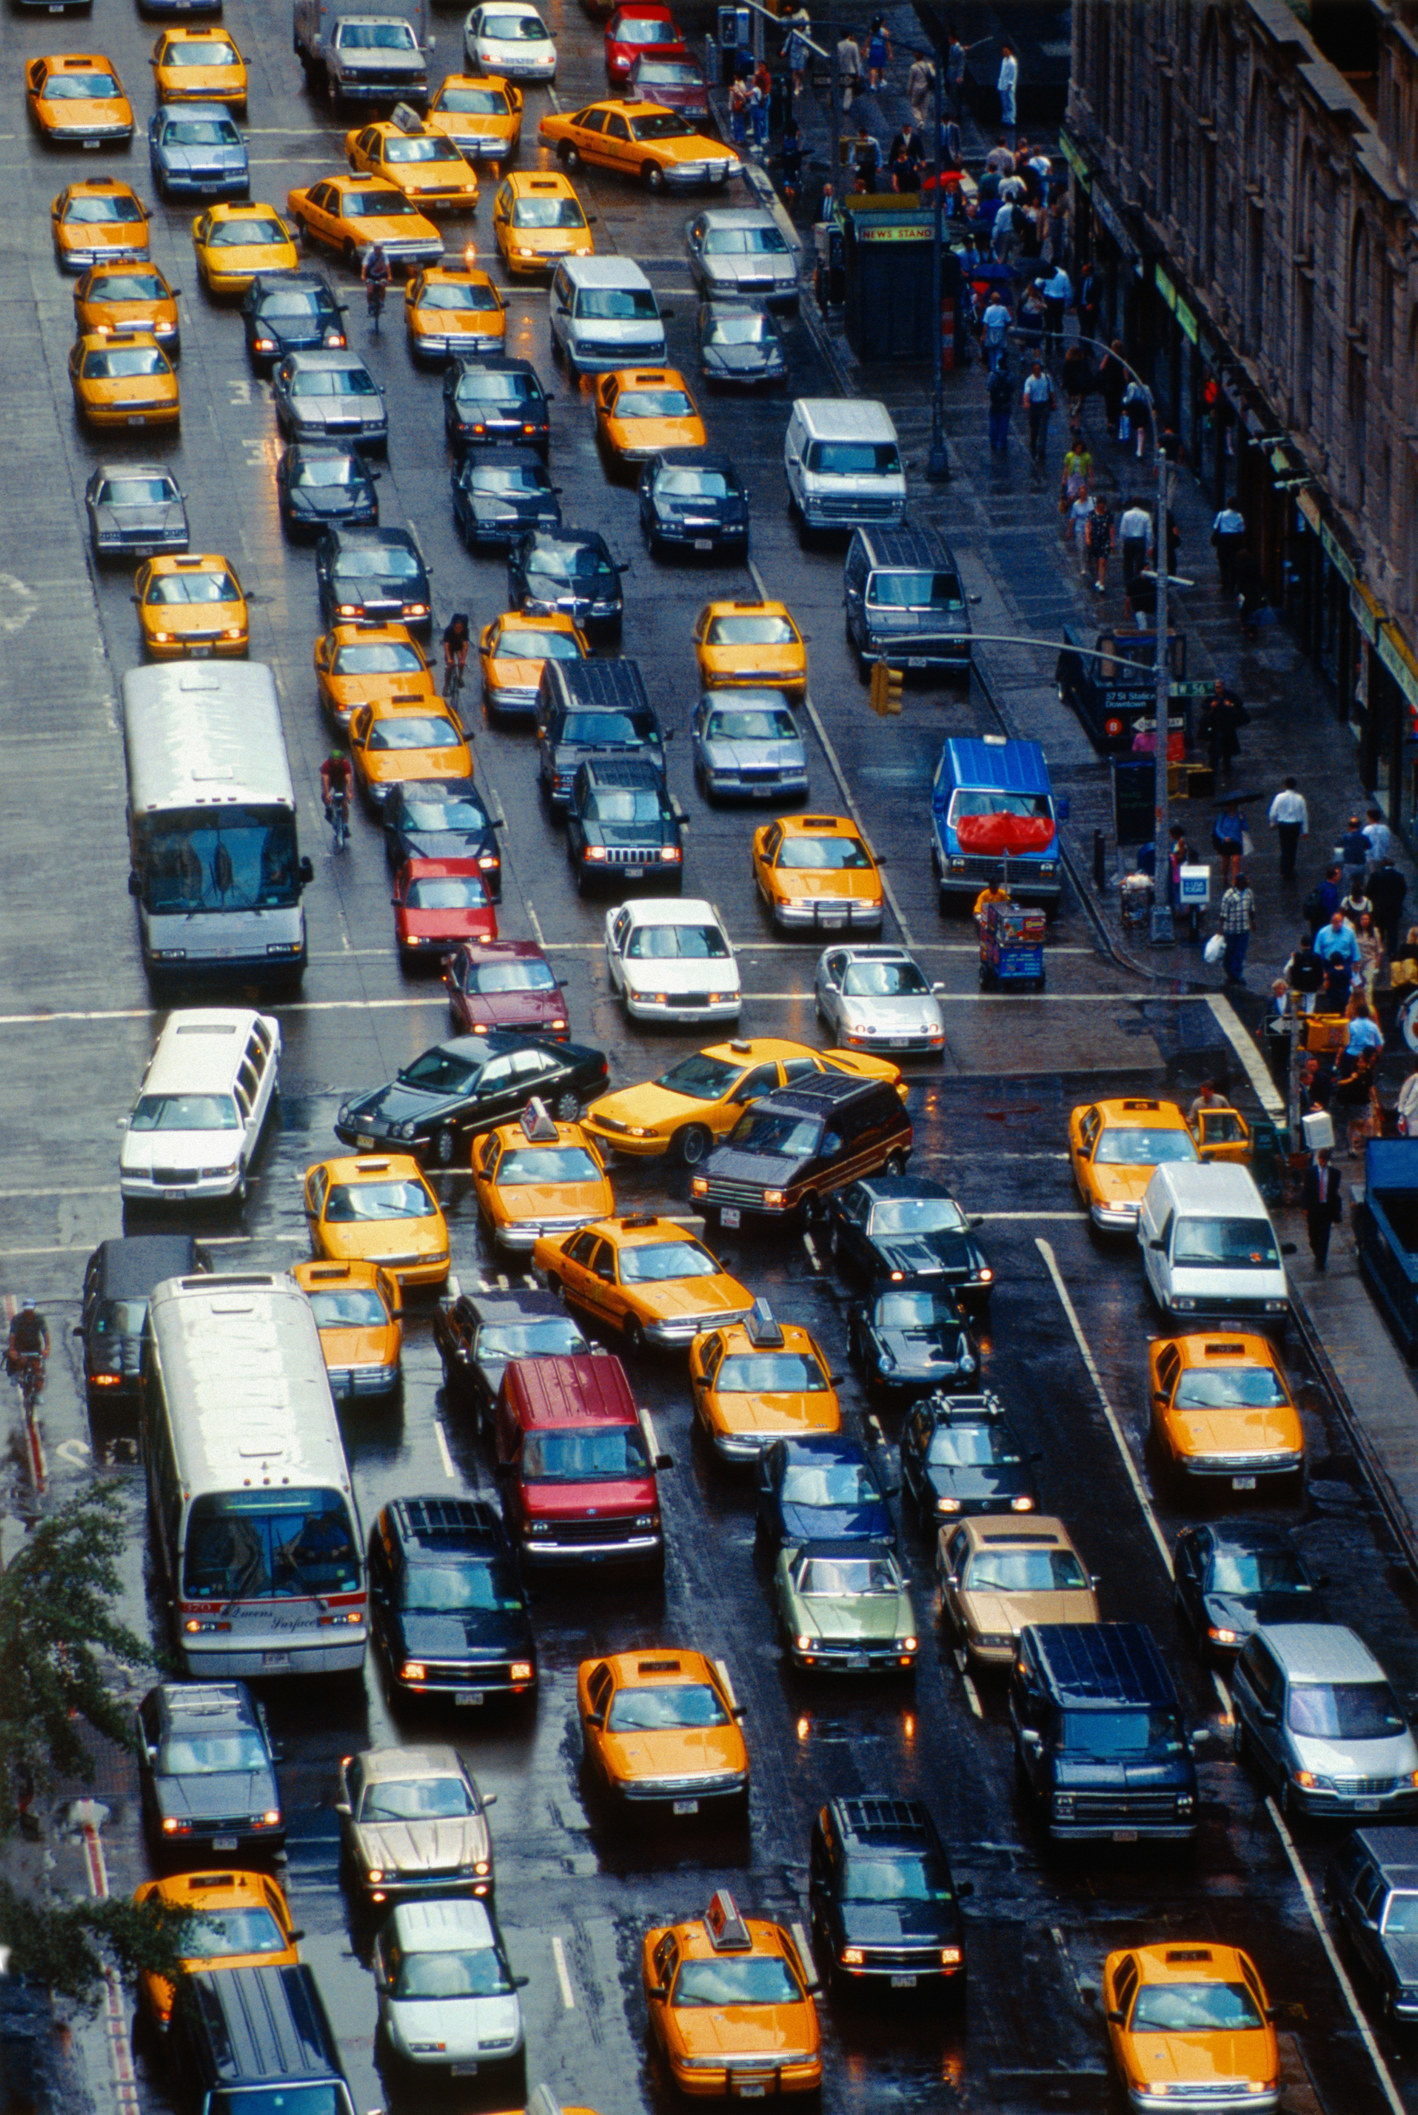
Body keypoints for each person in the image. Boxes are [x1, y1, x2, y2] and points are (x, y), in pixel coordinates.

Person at [1302, 1148, 1342, 1272]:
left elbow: (1335, 1193)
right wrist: (1304, 1207)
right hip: (1314, 1208)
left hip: (1327, 1208)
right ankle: (1317, 1252)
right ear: (1319, 1159)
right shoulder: (1310, 1172)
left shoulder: (1335, 1173)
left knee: (1325, 1236)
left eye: (1326, 1161)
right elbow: (1306, 1191)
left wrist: (1337, 1209)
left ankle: (1321, 1261)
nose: (1323, 1163)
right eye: (1321, 1160)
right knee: (1313, 1235)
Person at [1200, 679, 1248, 781]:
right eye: (1216, 687)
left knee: (1228, 747)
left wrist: (1230, 705)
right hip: (1216, 726)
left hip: (1227, 725)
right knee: (1215, 747)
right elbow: (1204, 706)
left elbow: (1239, 703)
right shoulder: (1211, 696)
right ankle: (1214, 765)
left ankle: (1227, 764)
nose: (1218, 689)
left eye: (1219, 687)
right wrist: (1210, 706)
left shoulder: (1229, 695)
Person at [1315, 908, 1361, 1008]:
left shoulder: (1349, 932)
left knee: (1345, 986)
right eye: (1336, 922)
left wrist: (1356, 964)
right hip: (1329, 962)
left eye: (1341, 921)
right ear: (1331, 922)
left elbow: (1354, 949)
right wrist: (1322, 969)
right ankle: (1332, 1005)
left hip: (1344, 961)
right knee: (1331, 987)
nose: (1339, 924)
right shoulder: (1322, 933)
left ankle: (1345, 1005)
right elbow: (1318, 952)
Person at [1218, 870, 1256, 986]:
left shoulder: (1249, 893)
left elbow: (1251, 909)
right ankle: (1229, 970)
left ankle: (1236, 974)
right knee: (1230, 952)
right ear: (1239, 882)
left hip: (1244, 929)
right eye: (1245, 880)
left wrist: (1253, 922)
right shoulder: (1228, 895)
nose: (1248, 881)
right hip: (1230, 930)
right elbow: (1223, 914)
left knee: (1240, 952)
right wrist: (1220, 930)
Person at [1267, 775, 1308, 880]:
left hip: (1283, 824)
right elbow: (1304, 814)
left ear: (1285, 785)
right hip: (1295, 824)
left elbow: (1273, 812)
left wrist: (1273, 822)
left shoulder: (1279, 797)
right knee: (1293, 846)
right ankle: (1290, 865)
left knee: (1284, 846)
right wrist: (1305, 830)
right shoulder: (1300, 798)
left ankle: (1284, 868)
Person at [1369, 857, 1408, 958]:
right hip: (1393, 909)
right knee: (1392, 931)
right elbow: (1403, 891)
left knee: (1379, 930)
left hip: (1379, 909)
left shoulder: (1375, 876)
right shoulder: (1399, 876)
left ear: (1382, 864)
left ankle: (1378, 950)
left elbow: (1369, 892)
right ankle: (1391, 952)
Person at [1022, 358, 1053, 466]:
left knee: (1043, 429)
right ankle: (1033, 445)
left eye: (1039, 369)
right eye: (1035, 369)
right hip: (1034, 406)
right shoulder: (1029, 380)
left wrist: (1053, 402)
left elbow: (1051, 390)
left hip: (1044, 405)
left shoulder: (1046, 378)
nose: (1037, 371)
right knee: (1034, 428)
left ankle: (1041, 450)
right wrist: (1026, 402)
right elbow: (1026, 393)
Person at [5, 1299, 48, 1378]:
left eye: (30, 1309)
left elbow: (45, 1333)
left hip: (34, 1346)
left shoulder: (39, 1318)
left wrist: (47, 1348)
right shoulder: (17, 1319)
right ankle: (16, 1374)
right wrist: (12, 1349)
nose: (28, 1312)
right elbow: (12, 1334)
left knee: (37, 1368)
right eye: (27, 1309)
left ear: (33, 1308)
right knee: (19, 1362)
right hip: (20, 1346)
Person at [1211, 502, 1245, 595]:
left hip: (1223, 539)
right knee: (1233, 563)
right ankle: (1232, 585)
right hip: (1235, 540)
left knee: (1223, 562)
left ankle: (1225, 583)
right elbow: (1242, 529)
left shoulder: (1221, 514)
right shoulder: (1239, 515)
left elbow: (1215, 526)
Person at [1118, 496, 1152, 585]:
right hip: (1140, 540)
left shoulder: (1126, 515)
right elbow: (1149, 532)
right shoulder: (1146, 515)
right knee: (1140, 563)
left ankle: (1128, 582)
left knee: (1128, 563)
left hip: (1129, 540)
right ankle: (1138, 581)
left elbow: (1122, 531)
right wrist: (1149, 545)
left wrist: (1122, 543)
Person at [1211, 799, 1246, 886]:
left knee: (1236, 862)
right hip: (1226, 842)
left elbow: (1246, 828)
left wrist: (1242, 820)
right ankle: (1224, 877)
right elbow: (1217, 829)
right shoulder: (1222, 816)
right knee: (1225, 862)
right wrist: (1223, 837)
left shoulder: (1240, 815)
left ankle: (1235, 882)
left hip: (1237, 842)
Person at [1084, 492, 1114, 594]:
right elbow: (1088, 526)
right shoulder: (1091, 514)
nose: (1103, 506)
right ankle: (1099, 577)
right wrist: (1087, 538)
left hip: (1105, 540)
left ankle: (1102, 583)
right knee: (1097, 560)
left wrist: (1112, 541)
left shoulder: (1108, 515)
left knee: (1103, 561)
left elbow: (1111, 528)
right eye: (1101, 504)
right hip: (1095, 539)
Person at [1098, 339, 1128, 437]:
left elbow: (1101, 367)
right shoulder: (1122, 358)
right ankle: (1116, 421)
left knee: (1109, 404)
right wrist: (1126, 382)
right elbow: (1125, 371)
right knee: (1117, 402)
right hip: (1118, 383)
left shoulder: (1108, 356)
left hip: (1109, 383)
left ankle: (1110, 423)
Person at [1340, 814, 1370, 898]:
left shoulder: (1345, 837)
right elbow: (1368, 846)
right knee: (1361, 886)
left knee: (1346, 888)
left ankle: (1346, 904)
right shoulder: (1363, 837)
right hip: (1360, 864)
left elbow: (1339, 845)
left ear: (1349, 827)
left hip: (1349, 865)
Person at [986, 357, 1013, 451]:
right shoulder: (1010, 375)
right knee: (1004, 424)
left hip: (995, 403)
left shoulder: (992, 375)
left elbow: (988, 387)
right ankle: (1003, 442)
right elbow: (1013, 387)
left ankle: (993, 442)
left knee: (994, 423)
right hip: (1006, 403)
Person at [1122, 377, 1152, 461]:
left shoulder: (1133, 386)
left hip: (1137, 409)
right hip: (1139, 409)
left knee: (1140, 429)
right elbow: (1150, 400)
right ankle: (1139, 448)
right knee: (1139, 429)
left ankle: (1139, 450)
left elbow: (1129, 398)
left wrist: (1124, 404)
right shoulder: (1145, 388)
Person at [980, 290, 1011, 369]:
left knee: (991, 351)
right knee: (999, 350)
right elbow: (1008, 320)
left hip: (990, 331)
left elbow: (985, 324)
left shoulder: (988, 309)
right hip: (1000, 330)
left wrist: (983, 335)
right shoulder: (1003, 309)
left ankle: (993, 368)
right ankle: (998, 367)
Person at [442, 612, 471, 694]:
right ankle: (446, 685)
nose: (458, 630)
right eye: (456, 628)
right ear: (453, 627)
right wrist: (449, 659)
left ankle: (460, 678)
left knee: (461, 663)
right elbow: (446, 646)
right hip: (450, 645)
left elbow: (465, 645)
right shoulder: (448, 631)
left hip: (458, 645)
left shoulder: (465, 631)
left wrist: (463, 659)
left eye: (460, 628)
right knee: (449, 665)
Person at [361, 241, 390, 324]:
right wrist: (363, 275)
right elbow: (365, 266)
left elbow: (387, 265)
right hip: (371, 275)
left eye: (379, 249)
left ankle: (382, 302)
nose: (378, 250)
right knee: (370, 290)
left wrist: (389, 275)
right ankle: (370, 305)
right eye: (376, 249)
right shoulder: (370, 255)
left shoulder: (384, 255)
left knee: (382, 286)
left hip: (381, 275)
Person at [785, 9, 811, 98]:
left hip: (802, 52)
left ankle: (801, 82)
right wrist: (784, 50)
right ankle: (796, 87)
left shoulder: (807, 33)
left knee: (801, 71)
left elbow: (809, 43)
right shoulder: (793, 33)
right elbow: (788, 41)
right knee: (795, 71)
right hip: (794, 52)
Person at [835, 25, 863, 107]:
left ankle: (843, 104)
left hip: (843, 69)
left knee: (845, 87)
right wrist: (859, 72)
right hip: (852, 70)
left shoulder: (839, 45)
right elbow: (856, 60)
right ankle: (846, 107)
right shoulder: (853, 45)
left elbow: (839, 58)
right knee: (849, 89)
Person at [997, 43, 1017, 140]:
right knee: (1004, 103)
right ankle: (1005, 118)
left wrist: (1009, 85)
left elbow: (1012, 75)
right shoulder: (1004, 60)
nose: (1004, 53)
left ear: (1010, 51)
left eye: (1006, 51)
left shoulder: (1012, 63)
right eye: (1003, 51)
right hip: (1002, 85)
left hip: (1008, 86)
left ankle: (1011, 119)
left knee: (1010, 103)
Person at [946, 28, 967, 118]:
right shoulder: (952, 47)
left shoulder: (959, 50)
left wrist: (959, 76)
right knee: (952, 94)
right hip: (951, 73)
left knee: (956, 95)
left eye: (950, 38)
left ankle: (957, 113)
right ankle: (953, 111)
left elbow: (961, 64)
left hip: (955, 75)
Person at [865, 14, 890, 89]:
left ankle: (872, 84)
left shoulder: (872, 31)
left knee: (873, 68)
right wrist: (890, 53)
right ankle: (881, 80)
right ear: (883, 22)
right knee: (881, 66)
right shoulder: (885, 32)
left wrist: (864, 49)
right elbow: (887, 43)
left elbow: (868, 41)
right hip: (880, 50)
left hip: (873, 49)